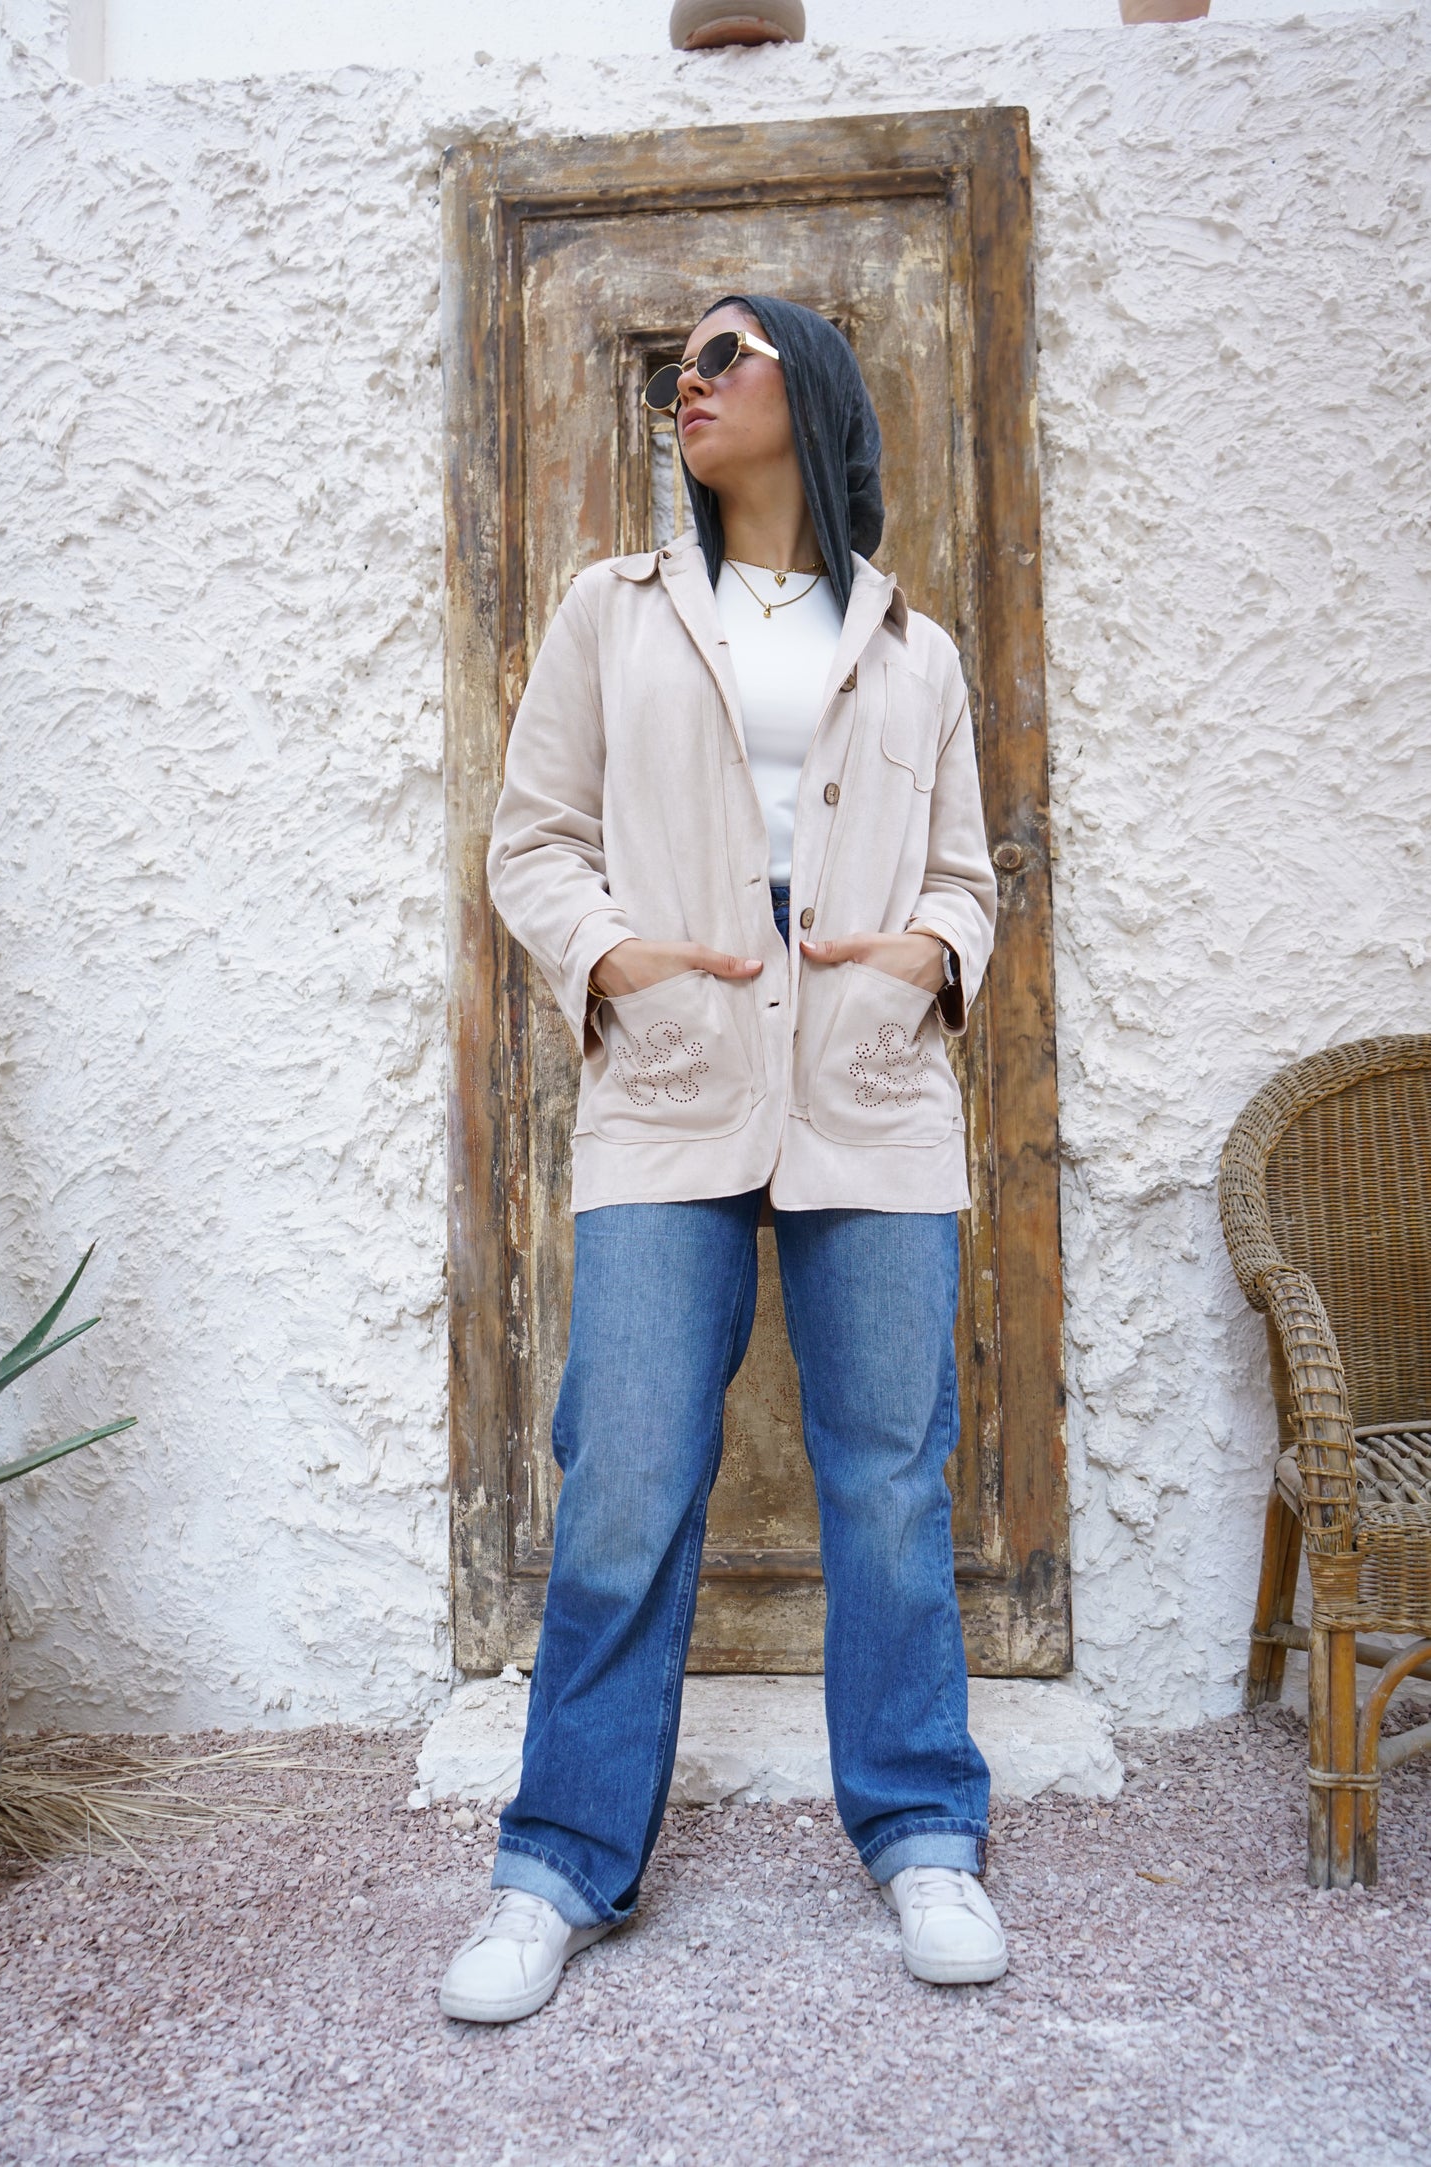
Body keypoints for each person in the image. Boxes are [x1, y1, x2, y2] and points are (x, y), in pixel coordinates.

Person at [439, 295, 1002, 2025]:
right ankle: (556, 1866)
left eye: (726, 354)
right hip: (674, 1078)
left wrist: (926, 961)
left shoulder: (911, 644)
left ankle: (921, 1835)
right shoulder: (613, 616)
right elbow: (531, 842)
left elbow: (967, 875)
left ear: (809, 393)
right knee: (622, 1480)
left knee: (890, 1487)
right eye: (678, 360)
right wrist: (615, 961)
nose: (688, 381)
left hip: (869, 1089)